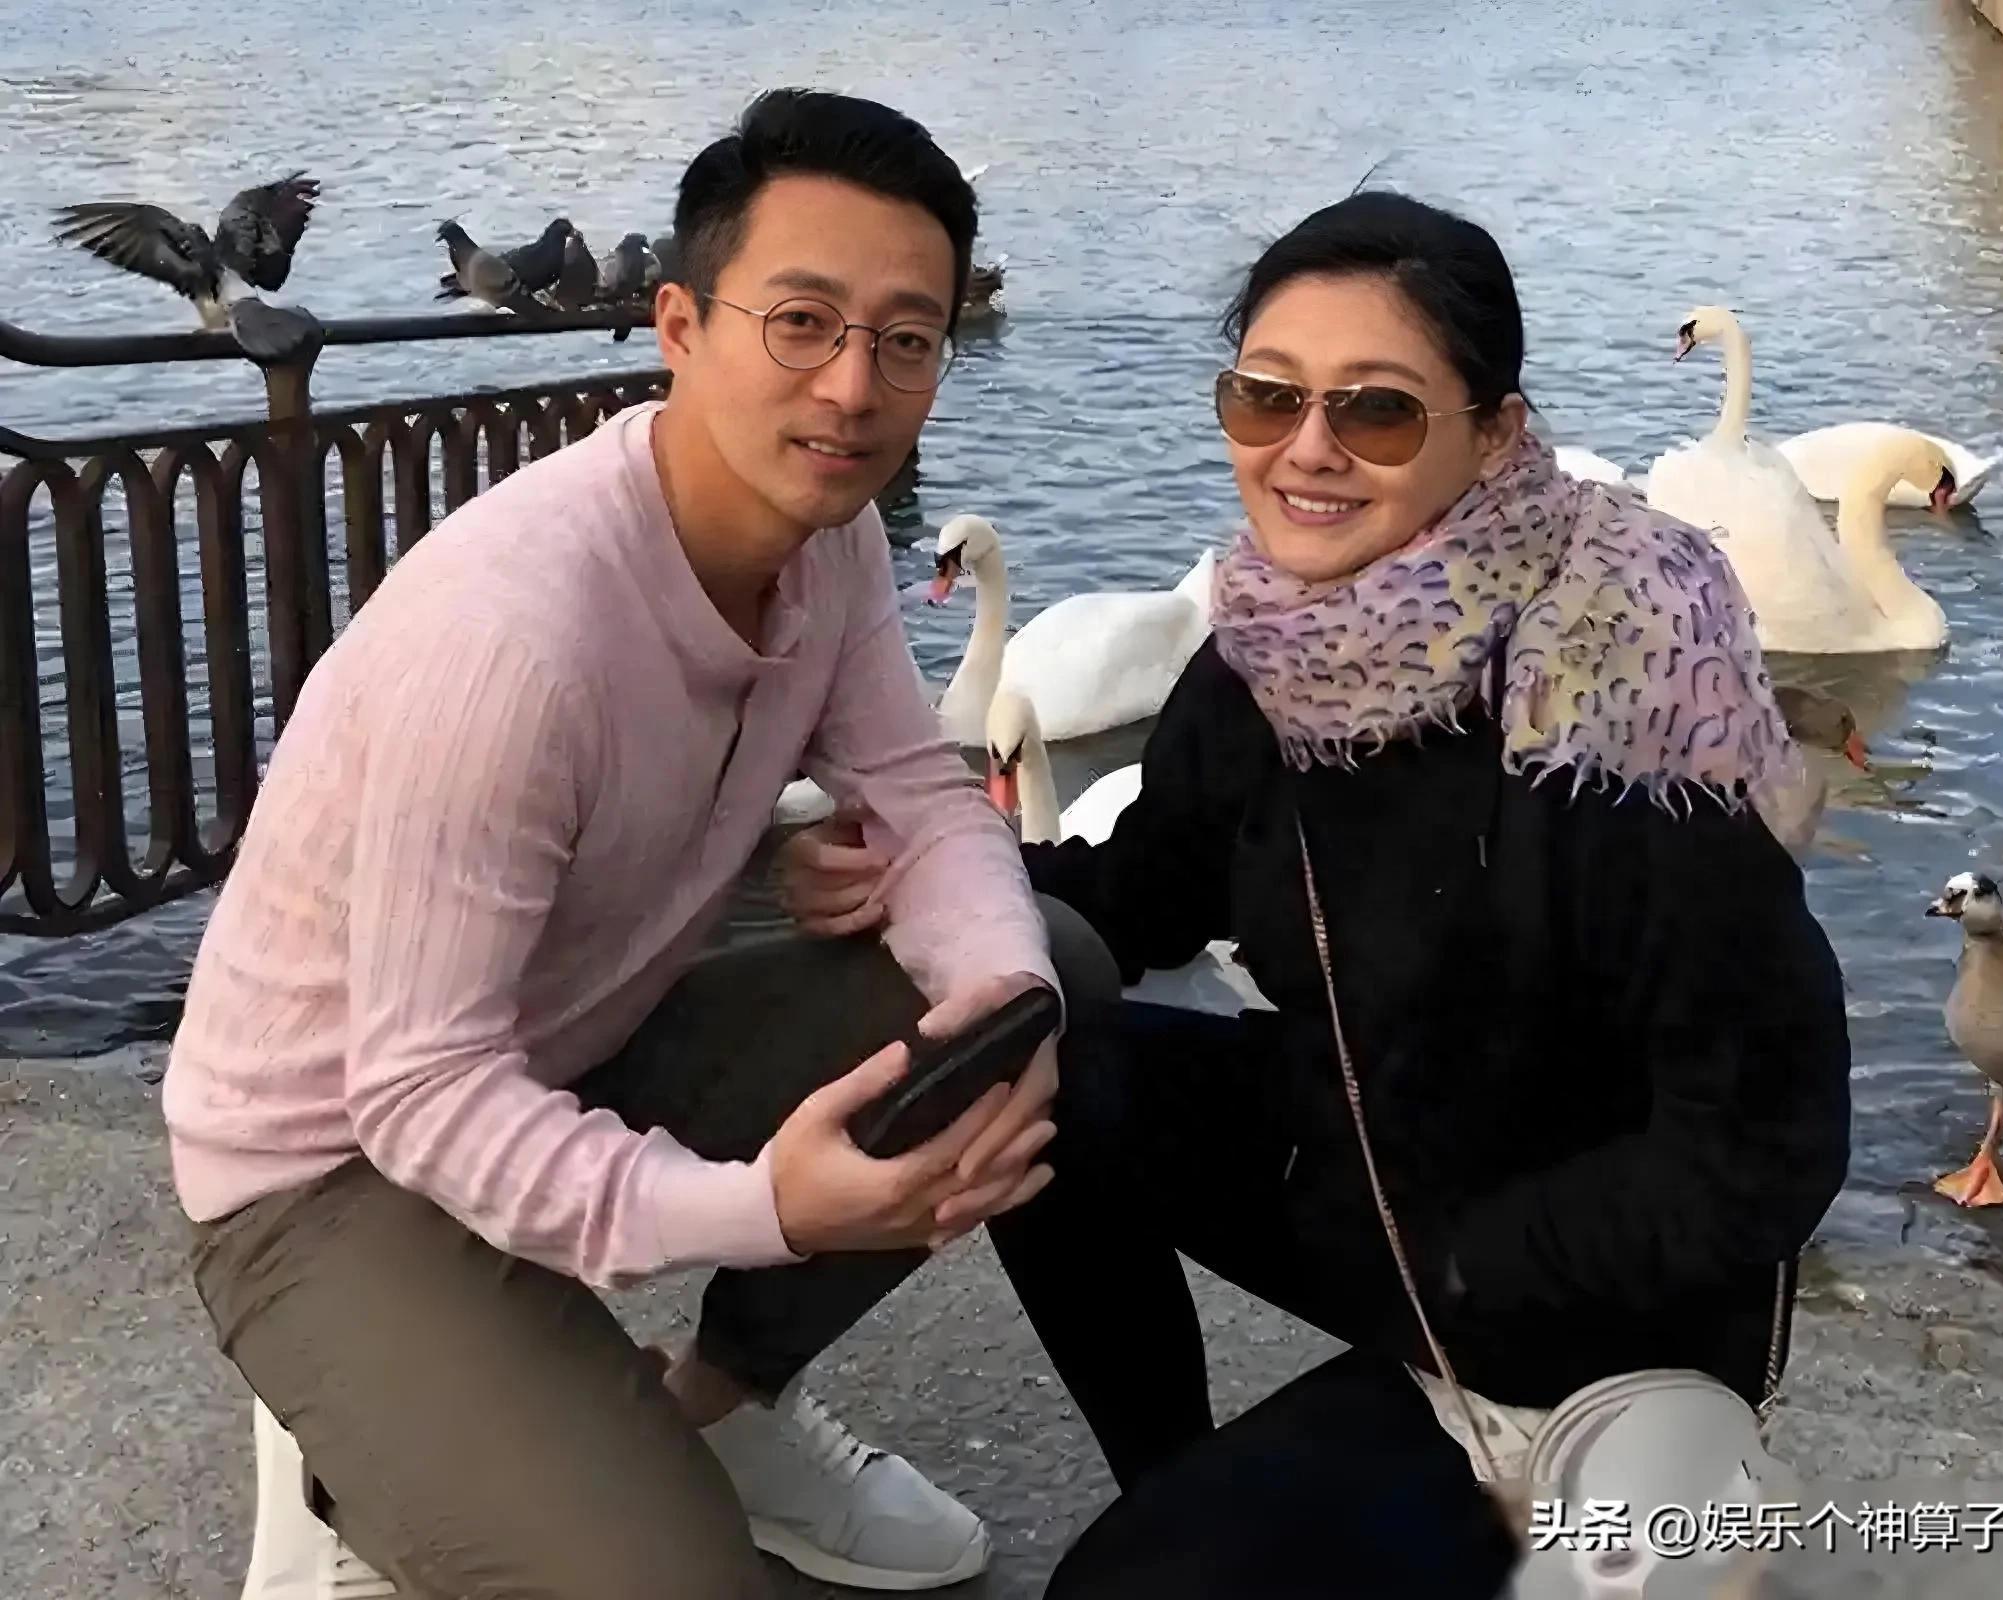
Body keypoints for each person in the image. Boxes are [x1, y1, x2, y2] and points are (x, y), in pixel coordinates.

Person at [779, 190, 1853, 1595]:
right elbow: (1143, 894)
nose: (1307, 451)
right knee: (1037, 1061)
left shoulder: (1620, 704)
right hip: (1364, 1181)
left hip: (1574, 1332)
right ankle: (1184, 1493)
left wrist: (1477, 1268)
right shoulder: (1274, 655)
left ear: (1496, 435)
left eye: (1378, 412)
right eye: (1267, 396)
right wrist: (920, 869)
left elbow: (1766, 1146)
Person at [163, 87, 1118, 1600]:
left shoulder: (829, 542)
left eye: (906, 339)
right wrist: (768, 1213)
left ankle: (713, 1413)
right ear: (679, 325)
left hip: (568, 1040)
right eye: (801, 322)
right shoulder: (514, 642)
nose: (854, 386)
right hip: (331, 1161)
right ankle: (369, 1436)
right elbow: (418, 1093)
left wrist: (1006, 999)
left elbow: (924, 799)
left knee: (1041, 972)